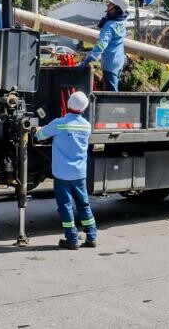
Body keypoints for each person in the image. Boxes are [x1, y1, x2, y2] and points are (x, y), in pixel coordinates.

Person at [35, 91, 97, 250]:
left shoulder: (59, 123)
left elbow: (40, 135)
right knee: (84, 204)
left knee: (66, 206)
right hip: (79, 174)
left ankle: (72, 239)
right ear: (84, 108)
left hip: (62, 174)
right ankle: (91, 236)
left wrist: (37, 129)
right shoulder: (87, 126)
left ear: (69, 104)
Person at [80, 0, 129, 91]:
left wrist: (89, 59)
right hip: (119, 61)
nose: (107, 6)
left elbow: (101, 44)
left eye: (110, 5)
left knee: (112, 94)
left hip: (110, 64)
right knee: (112, 90)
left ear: (116, 8)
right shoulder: (122, 18)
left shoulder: (110, 26)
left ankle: (115, 105)